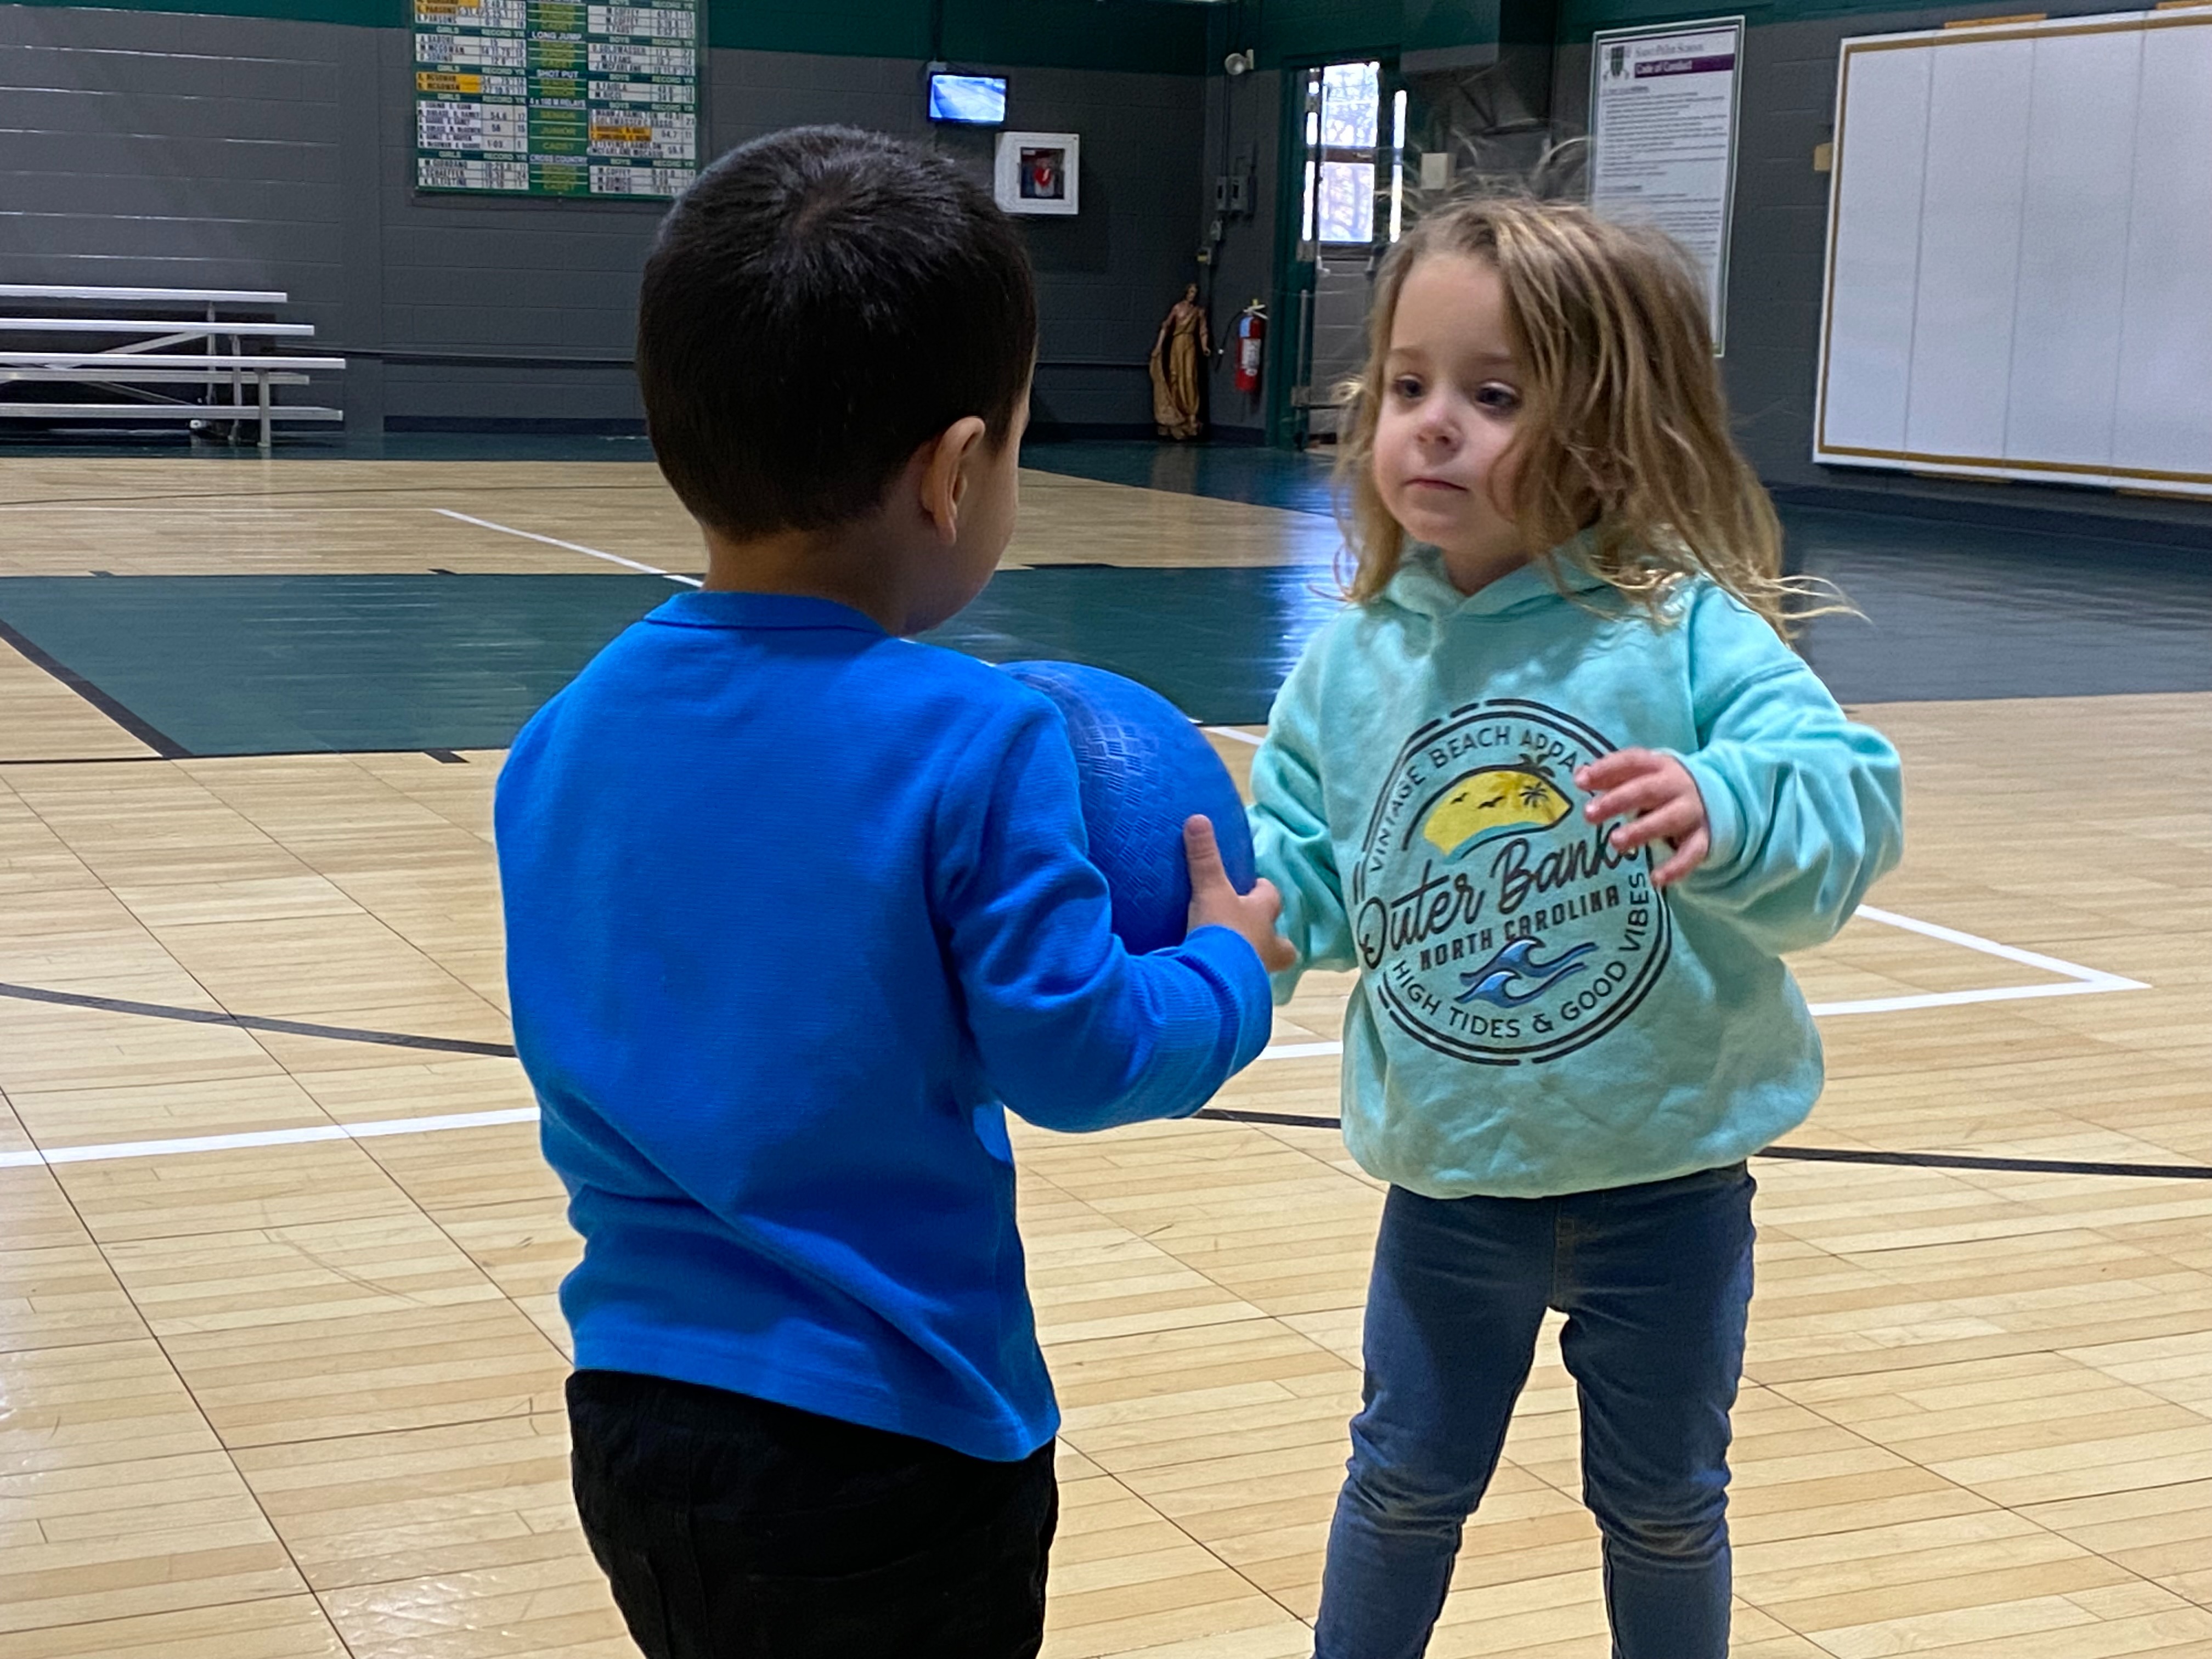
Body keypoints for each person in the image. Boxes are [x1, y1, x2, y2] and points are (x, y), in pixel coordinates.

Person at [495, 126, 1291, 1659]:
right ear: (957, 472)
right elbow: (1081, 1054)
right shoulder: (976, 740)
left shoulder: (562, 733)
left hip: (637, 1418)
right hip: (890, 1443)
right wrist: (1223, 971)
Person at [1246, 198, 1905, 1659]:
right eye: (1407, 387)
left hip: (1667, 1182)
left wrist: (1727, 801)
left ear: (1604, 431)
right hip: (1450, 1184)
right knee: (1403, 1484)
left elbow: (1850, 805)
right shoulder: (1352, 663)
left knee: (1667, 1507)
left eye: (1492, 396)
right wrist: (1255, 917)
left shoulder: (1680, 632)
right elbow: (1307, 867)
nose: (1432, 426)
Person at [1149, 282, 1210, 440]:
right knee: (1175, 376)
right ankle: (1176, 412)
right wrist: (1158, 347)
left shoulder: (1198, 312)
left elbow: (1203, 331)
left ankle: (1191, 413)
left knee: (1190, 378)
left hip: (1190, 345)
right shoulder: (1177, 308)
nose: (1192, 295)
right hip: (1178, 344)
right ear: (1186, 293)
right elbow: (1166, 326)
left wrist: (1204, 347)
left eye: (1195, 292)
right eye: (1190, 292)